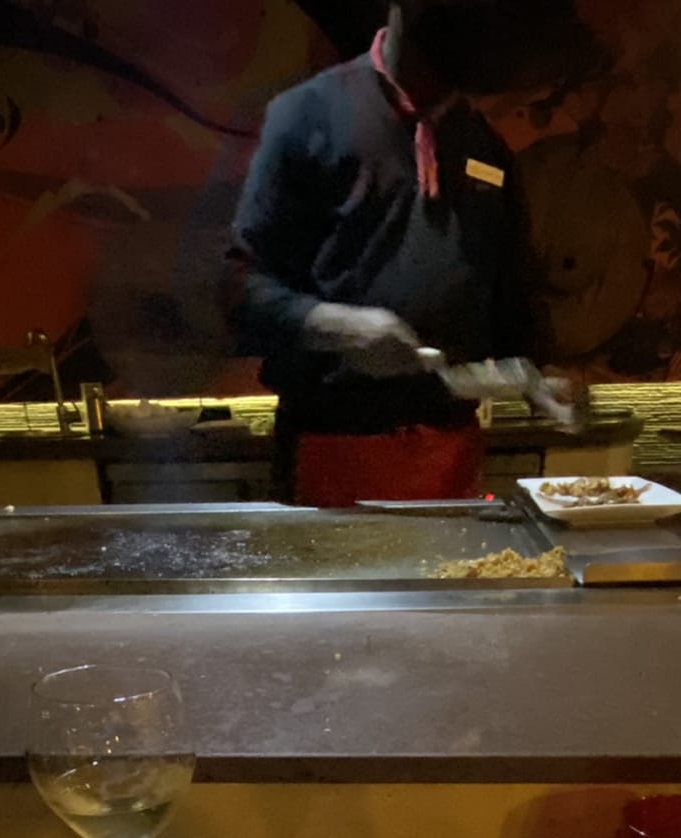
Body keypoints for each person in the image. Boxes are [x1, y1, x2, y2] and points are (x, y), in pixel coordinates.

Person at [226, 1, 539, 506]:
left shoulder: (482, 143)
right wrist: (336, 324)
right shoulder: (308, 115)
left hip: (450, 448)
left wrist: (536, 377)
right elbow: (240, 288)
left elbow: (512, 298)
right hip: (334, 441)